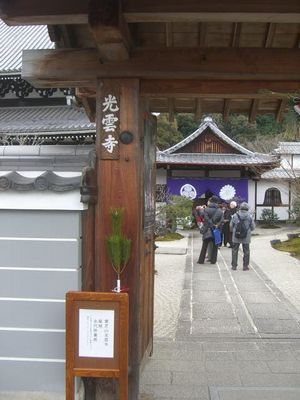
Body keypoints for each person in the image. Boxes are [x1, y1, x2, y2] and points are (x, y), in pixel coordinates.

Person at [197, 196, 223, 264]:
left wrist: (201, 209)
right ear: (217, 202)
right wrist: (218, 226)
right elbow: (222, 221)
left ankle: (201, 260)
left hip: (207, 229)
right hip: (215, 230)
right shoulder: (220, 211)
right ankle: (213, 260)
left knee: (204, 246)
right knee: (215, 246)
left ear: (211, 201)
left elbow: (201, 215)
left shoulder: (206, 209)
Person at [230, 202, 255, 271]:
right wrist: (248, 230)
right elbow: (253, 227)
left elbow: (231, 226)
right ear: (247, 208)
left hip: (236, 235)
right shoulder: (250, 216)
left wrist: (234, 231)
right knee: (246, 251)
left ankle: (234, 266)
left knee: (234, 250)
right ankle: (245, 266)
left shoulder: (235, 215)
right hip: (246, 236)